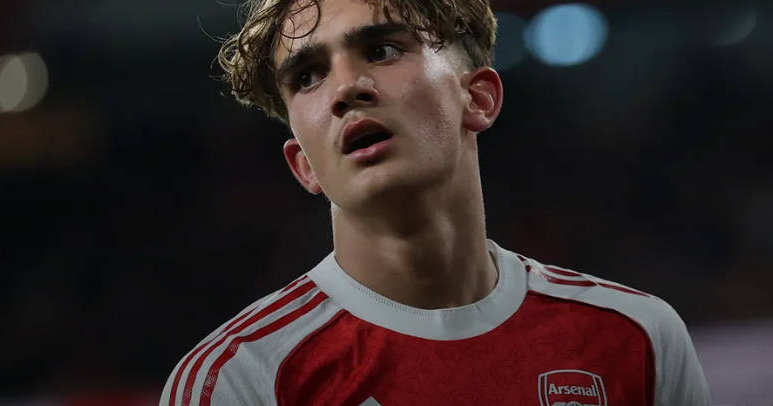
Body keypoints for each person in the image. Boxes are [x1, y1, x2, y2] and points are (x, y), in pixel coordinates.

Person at [160, 0, 711, 404]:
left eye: (382, 50)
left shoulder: (639, 338)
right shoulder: (238, 380)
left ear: (478, 98)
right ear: (304, 165)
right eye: (308, 76)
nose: (346, 89)